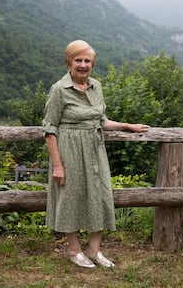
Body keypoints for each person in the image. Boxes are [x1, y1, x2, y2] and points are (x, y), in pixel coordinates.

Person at [42, 40, 150, 268]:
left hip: (95, 149)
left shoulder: (96, 86)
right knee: (70, 197)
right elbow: (49, 129)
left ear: (92, 64)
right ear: (69, 62)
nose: (83, 65)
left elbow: (101, 120)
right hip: (69, 151)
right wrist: (58, 165)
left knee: (101, 194)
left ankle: (93, 249)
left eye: (87, 61)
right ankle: (73, 249)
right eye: (78, 60)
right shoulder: (59, 90)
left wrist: (127, 126)